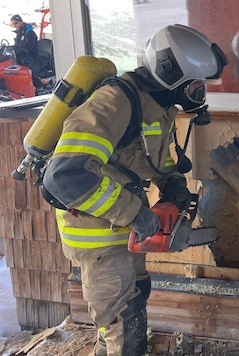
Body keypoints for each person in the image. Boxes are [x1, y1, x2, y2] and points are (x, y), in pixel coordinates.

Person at [41, 24, 228, 355]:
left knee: (133, 303)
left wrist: (172, 184)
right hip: (97, 234)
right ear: (171, 73)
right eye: (196, 86)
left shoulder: (158, 104)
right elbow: (65, 176)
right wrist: (137, 214)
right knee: (124, 332)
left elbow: (147, 156)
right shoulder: (113, 104)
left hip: (124, 228)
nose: (200, 95)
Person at [10, 14, 45, 90]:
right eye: (12, 24)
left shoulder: (30, 33)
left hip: (31, 55)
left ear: (20, 22)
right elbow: (17, 46)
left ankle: (38, 85)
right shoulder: (19, 34)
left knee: (24, 66)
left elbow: (28, 48)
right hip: (22, 55)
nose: (14, 26)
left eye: (15, 23)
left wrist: (18, 51)